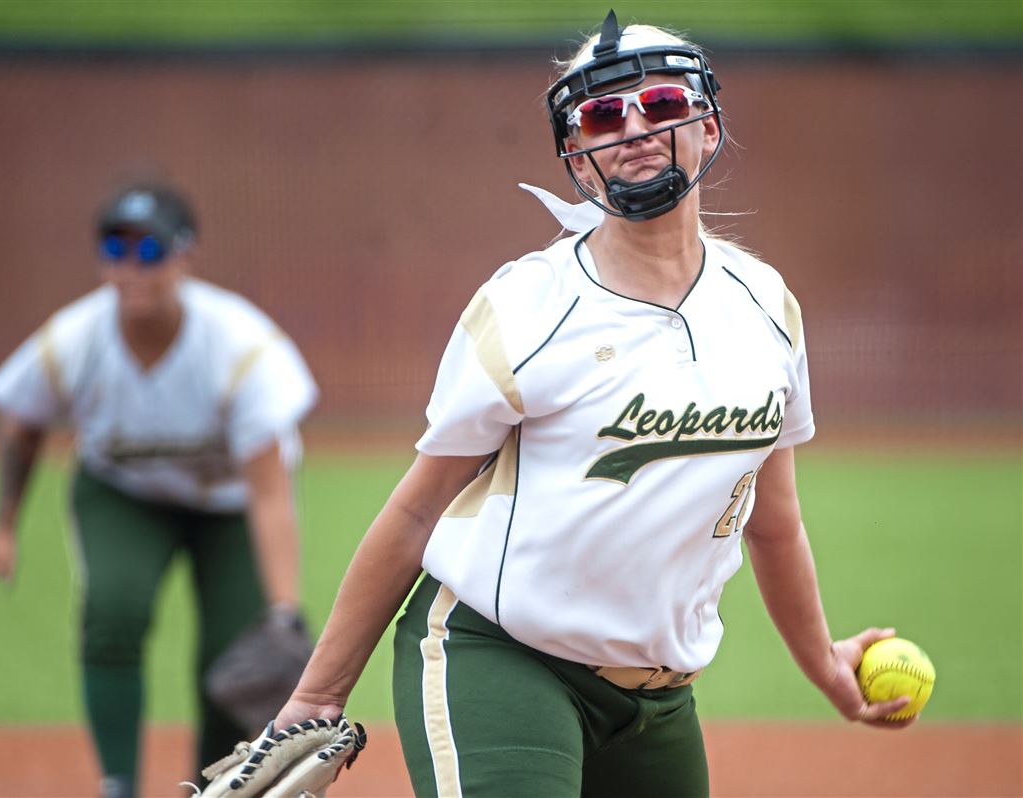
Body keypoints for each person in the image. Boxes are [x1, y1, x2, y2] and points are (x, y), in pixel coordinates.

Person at [270, 10, 916, 797]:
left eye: (662, 104)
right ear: (579, 152)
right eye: (605, 114)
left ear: (707, 128)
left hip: (661, 698)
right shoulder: (528, 308)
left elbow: (773, 520)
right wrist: (317, 697)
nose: (635, 126)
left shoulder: (765, 307)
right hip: (499, 656)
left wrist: (824, 664)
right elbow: (415, 513)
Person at [0, 182, 318, 798]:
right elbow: (21, 427)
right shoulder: (76, 339)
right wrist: (2, 530)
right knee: (113, 611)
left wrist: (283, 613)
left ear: (183, 256)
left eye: (148, 249)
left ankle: (213, 789)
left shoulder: (239, 347)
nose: (129, 267)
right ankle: (118, 785)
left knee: (233, 657)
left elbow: (268, 491)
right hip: (125, 497)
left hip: (228, 507)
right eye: (114, 248)